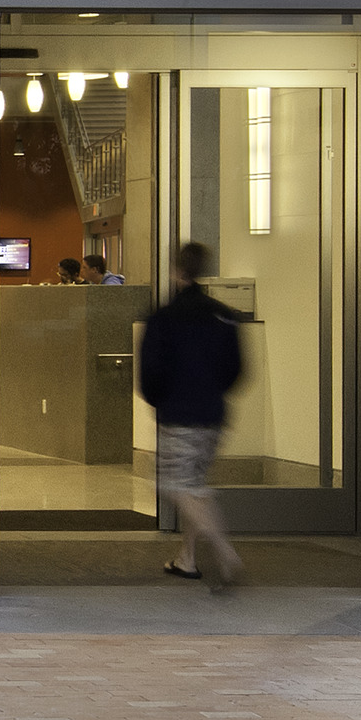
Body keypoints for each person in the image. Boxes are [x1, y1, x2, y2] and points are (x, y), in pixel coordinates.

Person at [135, 239, 247, 596]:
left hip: (178, 414)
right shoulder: (223, 314)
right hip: (213, 413)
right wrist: (214, 393)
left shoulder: (164, 317)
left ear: (176, 271)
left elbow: (150, 372)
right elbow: (237, 369)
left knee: (177, 485)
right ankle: (187, 558)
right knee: (194, 482)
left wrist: (161, 400)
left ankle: (224, 551)